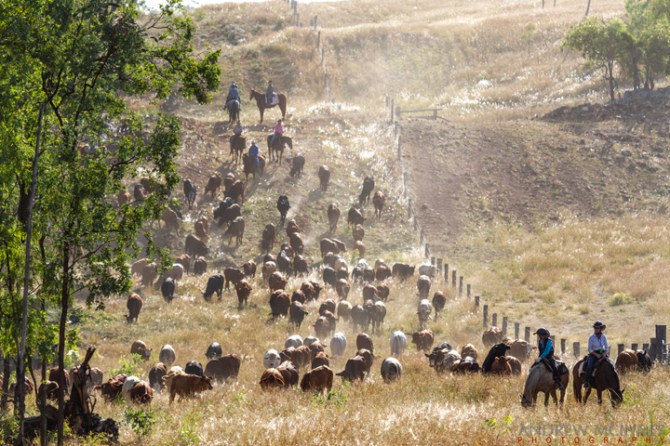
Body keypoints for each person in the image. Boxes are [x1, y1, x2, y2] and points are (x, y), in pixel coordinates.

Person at [584, 321, 609, 388]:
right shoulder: (591, 338)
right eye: (595, 328)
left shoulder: (603, 337)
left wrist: (604, 354)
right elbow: (590, 349)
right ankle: (586, 382)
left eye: (597, 328)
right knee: (589, 366)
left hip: (602, 353)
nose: (596, 329)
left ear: (600, 329)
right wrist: (596, 355)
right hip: (593, 354)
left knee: (611, 364)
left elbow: (606, 348)